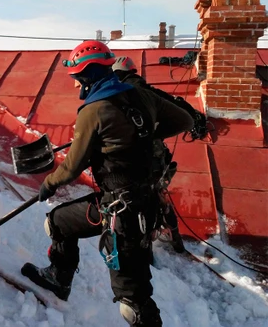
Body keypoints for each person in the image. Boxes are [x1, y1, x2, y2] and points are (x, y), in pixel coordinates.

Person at [21, 41, 193, 326]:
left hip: (124, 215)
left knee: (132, 300)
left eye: (77, 79)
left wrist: (48, 184)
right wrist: (144, 134)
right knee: (58, 222)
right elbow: (184, 119)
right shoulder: (141, 95)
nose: (76, 86)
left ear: (88, 75)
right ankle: (58, 278)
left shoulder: (94, 111)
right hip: (129, 203)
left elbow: (72, 167)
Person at [112, 56, 209, 253]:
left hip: (133, 161)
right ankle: (176, 242)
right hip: (157, 158)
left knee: (139, 201)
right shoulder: (151, 94)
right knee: (158, 196)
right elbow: (178, 107)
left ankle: (144, 245)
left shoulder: (117, 95)